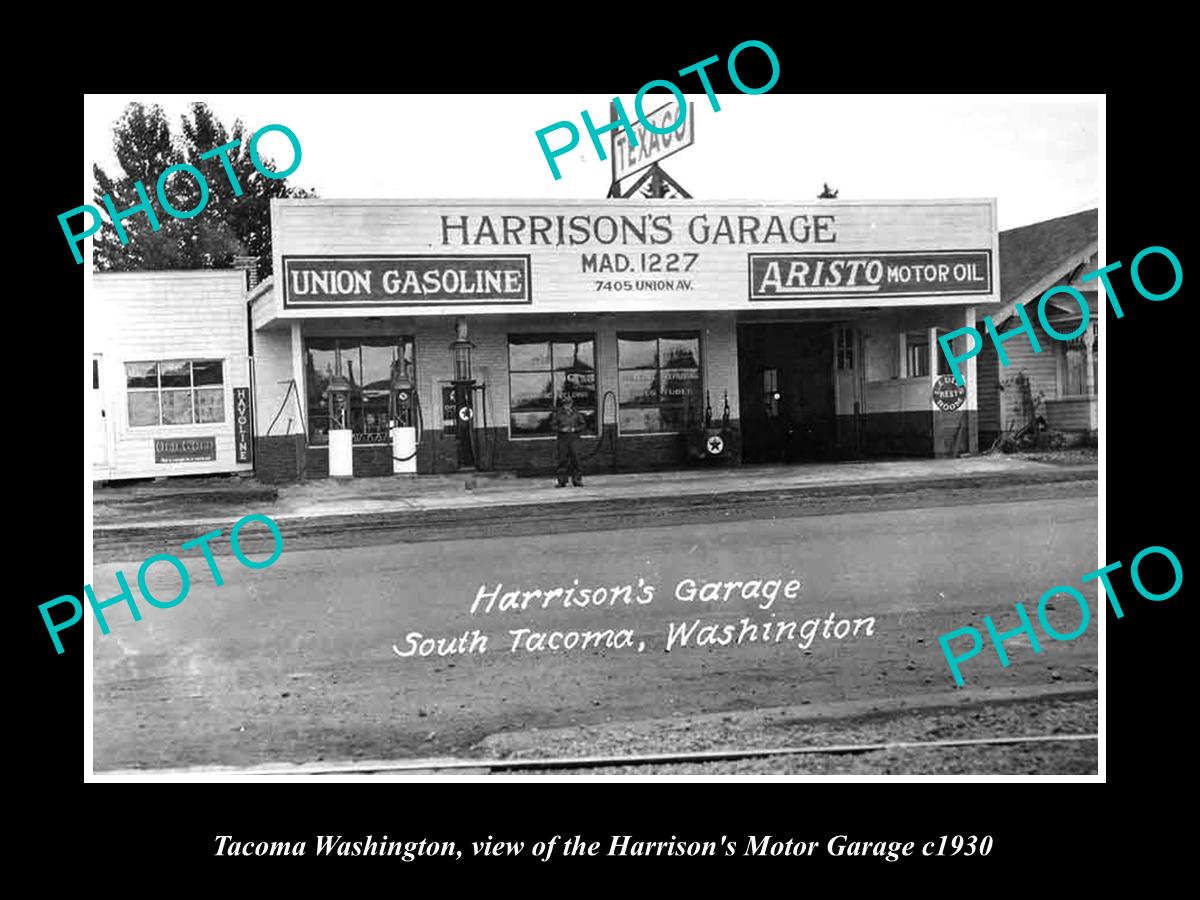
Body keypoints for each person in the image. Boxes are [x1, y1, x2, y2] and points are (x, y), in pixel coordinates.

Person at [550, 393, 586, 487]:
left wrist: (575, 429)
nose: (567, 405)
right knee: (562, 460)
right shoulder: (558, 414)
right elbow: (552, 425)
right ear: (563, 404)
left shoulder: (577, 414)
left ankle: (577, 480)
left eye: (569, 403)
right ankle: (562, 481)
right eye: (565, 403)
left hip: (574, 439)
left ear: (572, 403)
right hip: (562, 439)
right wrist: (561, 429)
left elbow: (583, 425)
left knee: (576, 460)